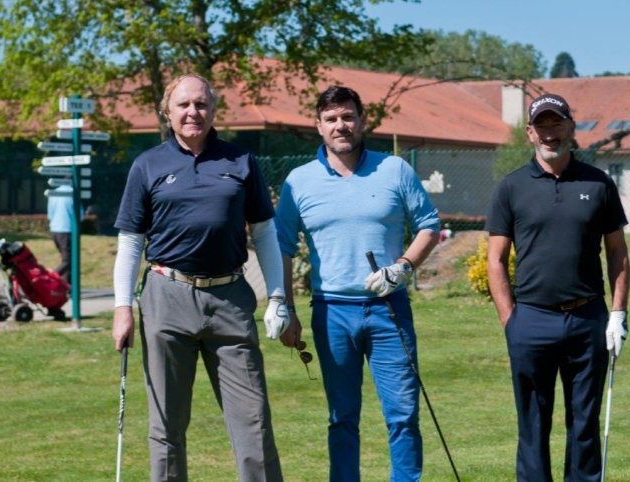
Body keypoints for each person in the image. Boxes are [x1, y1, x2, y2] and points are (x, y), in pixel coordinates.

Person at [111, 73, 289, 482]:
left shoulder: (241, 160)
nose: (193, 112)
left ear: (214, 110)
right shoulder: (147, 164)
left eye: (202, 104)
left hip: (230, 298)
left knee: (253, 421)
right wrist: (123, 308)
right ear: (168, 112)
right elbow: (131, 241)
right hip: (166, 298)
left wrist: (277, 297)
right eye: (184, 105)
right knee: (167, 426)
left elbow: (263, 233)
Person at [275, 85, 440, 482]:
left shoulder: (395, 169)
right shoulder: (299, 182)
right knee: (342, 417)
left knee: (403, 414)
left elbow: (429, 227)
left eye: (347, 116)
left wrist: (402, 266)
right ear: (319, 127)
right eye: (331, 119)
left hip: (388, 310)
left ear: (362, 121)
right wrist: (285, 306)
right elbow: (280, 245)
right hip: (331, 313)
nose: (340, 125)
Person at [486, 93, 630, 482]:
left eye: (557, 124)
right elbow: (496, 260)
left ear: (570, 128)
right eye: (542, 126)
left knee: (585, 420)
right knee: (532, 421)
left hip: (588, 319)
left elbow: (617, 252)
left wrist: (618, 314)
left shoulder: (598, 183)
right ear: (530, 132)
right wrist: (510, 322)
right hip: (531, 318)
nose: (550, 133)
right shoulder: (511, 188)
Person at [47, 180, 79, 283]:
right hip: (66, 229)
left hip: (54, 229)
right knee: (68, 260)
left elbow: (50, 214)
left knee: (65, 259)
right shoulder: (73, 193)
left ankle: (65, 286)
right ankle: (48, 279)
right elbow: (79, 214)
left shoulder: (54, 193)